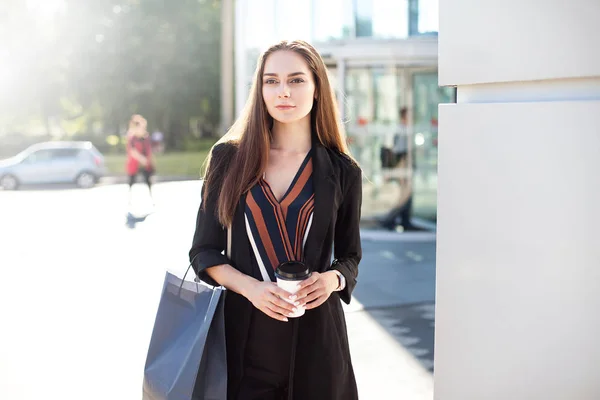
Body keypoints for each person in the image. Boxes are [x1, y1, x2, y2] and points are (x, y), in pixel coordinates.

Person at [189, 40, 362, 400]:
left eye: (296, 80)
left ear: (317, 89)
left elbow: (350, 257)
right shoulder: (228, 160)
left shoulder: (342, 170)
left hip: (318, 344)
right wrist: (252, 289)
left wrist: (331, 279)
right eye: (271, 81)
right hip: (243, 343)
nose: (283, 91)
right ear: (260, 90)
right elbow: (204, 251)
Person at [380, 107, 416, 231]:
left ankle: (401, 220)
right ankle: (392, 220)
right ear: (404, 117)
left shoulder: (404, 130)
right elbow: (399, 152)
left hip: (404, 166)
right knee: (403, 195)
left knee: (405, 195)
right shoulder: (402, 131)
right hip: (402, 166)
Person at [125, 114, 155, 205]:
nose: (143, 129)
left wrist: (149, 161)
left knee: (148, 180)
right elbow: (132, 151)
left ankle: (151, 197)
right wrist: (142, 159)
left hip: (145, 164)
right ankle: (129, 198)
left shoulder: (145, 138)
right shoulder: (132, 138)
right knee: (131, 181)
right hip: (135, 164)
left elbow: (149, 150)